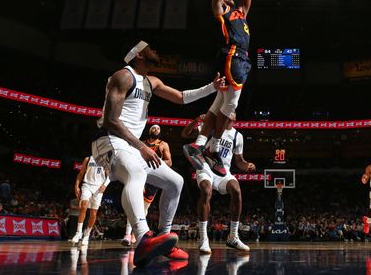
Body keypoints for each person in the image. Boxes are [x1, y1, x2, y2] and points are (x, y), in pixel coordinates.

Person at [91, 40, 226, 266]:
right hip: (108, 140)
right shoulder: (123, 76)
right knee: (136, 174)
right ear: (139, 55)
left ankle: (163, 240)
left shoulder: (151, 82)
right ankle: (143, 238)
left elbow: (182, 97)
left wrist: (212, 87)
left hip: (131, 146)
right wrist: (143, 146)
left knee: (176, 181)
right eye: (150, 48)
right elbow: (111, 121)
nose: (155, 50)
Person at [184, 0, 253, 176]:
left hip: (236, 59)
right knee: (231, 106)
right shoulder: (220, 10)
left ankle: (199, 144)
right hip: (234, 57)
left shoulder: (241, 13)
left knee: (218, 105)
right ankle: (213, 150)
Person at [183, 113, 255, 253]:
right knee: (206, 191)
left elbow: (239, 161)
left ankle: (233, 236)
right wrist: (196, 120)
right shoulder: (210, 127)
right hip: (205, 166)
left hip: (223, 171)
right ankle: (203, 238)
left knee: (236, 190)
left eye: (233, 110)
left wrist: (247, 165)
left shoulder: (237, 136)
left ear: (235, 118)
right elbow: (185, 134)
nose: (230, 111)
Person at [121, 124, 173, 247]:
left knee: (144, 208)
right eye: (153, 128)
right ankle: (128, 234)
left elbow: (169, 162)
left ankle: (135, 233)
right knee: (134, 202)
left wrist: (153, 160)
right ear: (149, 130)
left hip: (153, 178)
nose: (156, 129)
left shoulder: (163, 145)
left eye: (158, 128)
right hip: (140, 175)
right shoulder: (141, 144)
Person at [70, 156, 110, 245]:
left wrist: (105, 185)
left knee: (93, 213)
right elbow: (81, 173)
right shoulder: (88, 159)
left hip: (98, 188)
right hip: (87, 185)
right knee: (84, 206)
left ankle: (87, 234)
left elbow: (109, 176)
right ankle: (78, 233)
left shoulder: (105, 160)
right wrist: (76, 185)